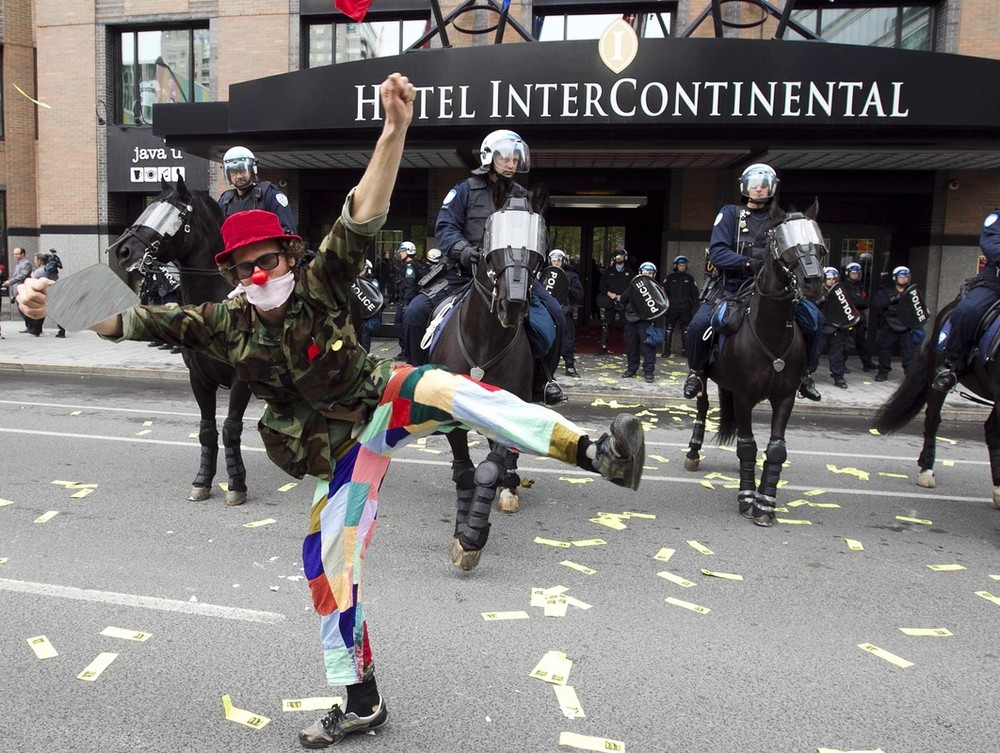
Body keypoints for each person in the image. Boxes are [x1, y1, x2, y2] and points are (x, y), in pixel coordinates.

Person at [17, 73, 645, 750]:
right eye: (246, 267)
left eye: (270, 260)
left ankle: (593, 451)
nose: (261, 275)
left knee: (451, 388)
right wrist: (52, 303)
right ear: (232, 275)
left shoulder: (319, 280)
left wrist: (394, 131)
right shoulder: (222, 323)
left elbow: (363, 213)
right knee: (324, 565)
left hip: (376, 398)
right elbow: (134, 318)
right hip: (335, 451)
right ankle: (362, 699)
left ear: (289, 256)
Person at [403, 129, 567, 405]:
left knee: (557, 318)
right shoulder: (464, 190)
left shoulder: (523, 197)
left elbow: (539, 235)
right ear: (489, 157)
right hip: (464, 273)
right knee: (414, 313)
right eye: (506, 158)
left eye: (516, 159)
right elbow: (445, 229)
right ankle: (417, 380)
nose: (512, 164)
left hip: (512, 273)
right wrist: (464, 252)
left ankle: (543, 381)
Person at [682, 164, 823, 402]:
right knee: (697, 327)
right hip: (732, 288)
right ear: (745, 188)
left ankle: (805, 375)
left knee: (814, 320)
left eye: (764, 185)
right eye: (754, 185)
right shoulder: (730, 214)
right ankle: (695, 373)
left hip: (773, 290)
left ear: (772, 188)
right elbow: (717, 254)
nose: (758, 190)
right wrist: (749, 264)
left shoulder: (781, 220)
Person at [933, 209, 1000, 392]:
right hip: (995, 283)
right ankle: (952, 365)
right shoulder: (996, 218)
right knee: (967, 311)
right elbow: (992, 245)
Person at [217, 145, 297, 234]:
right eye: (234, 172)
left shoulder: (269, 194)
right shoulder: (225, 200)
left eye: (243, 170)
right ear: (228, 174)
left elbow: (288, 233)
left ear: (252, 169)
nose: (239, 176)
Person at [872, 266, 919, 382]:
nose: (904, 279)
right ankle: (883, 372)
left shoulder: (913, 293)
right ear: (895, 278)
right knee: (885, 350)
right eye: (901, 276)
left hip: (906, 325)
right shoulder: (886, 292)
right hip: (889, 324)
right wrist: (893, 299)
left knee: (908, 351)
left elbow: (919, 309)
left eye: (906, 276)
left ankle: (910, 374)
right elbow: (876, 304)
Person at [621, 261, 663, 383]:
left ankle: (649, 372)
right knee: (631, 345)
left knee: (648, 346)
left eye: (649, 273)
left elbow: (662, 306)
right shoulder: (633, 285)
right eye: (644, 273)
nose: (647, 275)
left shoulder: (657, 288)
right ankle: (631, 369)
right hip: (631, 319)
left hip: (647, 321)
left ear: (654, 274)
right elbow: (623, 299)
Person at [547, 249, 584, 377]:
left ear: (563, 261)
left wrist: (567, 286)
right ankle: (546, 368)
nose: (556, 263)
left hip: (564, 312)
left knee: (567, 340)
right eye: (554, 260)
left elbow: (580, 294)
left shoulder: (571, 276)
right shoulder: (545, 274)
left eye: (558, 260)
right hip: (548, 312)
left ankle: (570, 366)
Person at [813, 267, 848, 389]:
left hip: (836, 326)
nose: (831, 281)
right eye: (829, 279)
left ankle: (838, 377)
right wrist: (821, 299)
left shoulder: (841, 293)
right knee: (815, 353)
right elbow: (810, 306)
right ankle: (806, 375)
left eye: (833, 279)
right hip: (821, 327)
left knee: (837, 354)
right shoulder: (817, 291)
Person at [661, 255, 699, 358]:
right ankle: (666, 351)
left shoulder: (690, 279)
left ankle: (685, 351)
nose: (682, 267)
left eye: (684, 265)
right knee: (668, 328)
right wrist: (665, 308)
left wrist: (694, 308)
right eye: (680, 265)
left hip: (685, 308)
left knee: (686, 329)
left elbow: (695, 295)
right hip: (672, 307)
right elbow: (663, 294)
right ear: (676, 266)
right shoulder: (669, 278)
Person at [597, 248, 632, 355]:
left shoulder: (630, 272)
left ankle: (629, 348)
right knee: (606, 324)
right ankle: (602, 347)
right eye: (617, 255)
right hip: (611, 301)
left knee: (627, 325)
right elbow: (601, 286)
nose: (619, 257)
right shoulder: (608, 271)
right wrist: (609, 293)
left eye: (621, 255)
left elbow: (633, 287)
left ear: (625, 257)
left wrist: (623, 296)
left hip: (623, 301)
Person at [842, 261, 876, 372]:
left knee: (862, 343)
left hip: (860, 319)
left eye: (857, 273)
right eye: (853, 273)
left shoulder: (860, 287)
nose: (855, 275)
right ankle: (841, 365)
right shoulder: (844, 286)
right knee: (846, 343)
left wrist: (858, 302)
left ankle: (867, 363)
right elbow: (849, 302)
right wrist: (858, 302)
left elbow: (866, 302)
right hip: (849, 318)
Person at [392, 241, 418, 361]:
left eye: (402, 251)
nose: (400, 254)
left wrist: (407, 303)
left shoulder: (410, 267)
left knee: (400, 325)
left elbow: (410, 285)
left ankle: (407, 350)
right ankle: (405, 350)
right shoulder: (407, 266)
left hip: (406, 301)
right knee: (399, 325)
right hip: (403, 300)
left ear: (408, 251)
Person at [2, 248, 33, 334]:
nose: (15, 256)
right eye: (14, 254)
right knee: (21, 309)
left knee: (24, 308)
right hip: (17, 288)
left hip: (23, 288)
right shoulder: (19, 263)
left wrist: (10, 282)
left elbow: (22, 276)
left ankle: (32, 327)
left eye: (17, 254)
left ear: (22, 254)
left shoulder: (26, 263)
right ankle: (29, 327)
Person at [358, 258, 381, 353]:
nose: (360, 271)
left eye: (363, 268)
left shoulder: (372, 282)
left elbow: (375, 298)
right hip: (357, 314)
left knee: (364, 336)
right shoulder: (355, 280)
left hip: (367, 314)